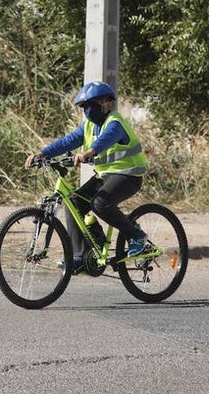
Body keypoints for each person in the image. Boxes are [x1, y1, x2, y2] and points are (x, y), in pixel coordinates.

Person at [24, 81, 150, 273]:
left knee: (100, 203)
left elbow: (107, 138)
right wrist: (42, 154)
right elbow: (68, 141)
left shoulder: (115, 122)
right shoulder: (89, 126)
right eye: (84, 106)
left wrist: (89, 152)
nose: (88, 110)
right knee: (74, 202)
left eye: (92, 104)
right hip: (105, 175)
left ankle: (137, 236)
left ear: (107, 103)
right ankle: (80, 255)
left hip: (128, 175)